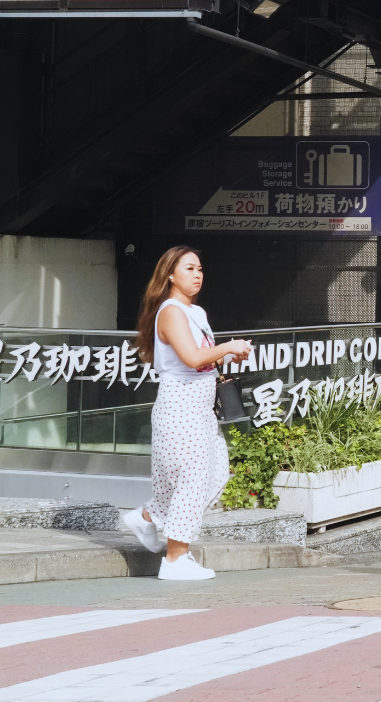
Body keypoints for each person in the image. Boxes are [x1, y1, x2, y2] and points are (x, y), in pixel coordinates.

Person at [122, 247, 252, 581]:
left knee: (214, 473)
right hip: (179, 405)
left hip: (200, 406)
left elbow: (201, 359)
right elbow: (192, 358)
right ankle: (175, 559)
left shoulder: (196, 312)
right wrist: (228, 346)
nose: (198, 275)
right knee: (191, 480)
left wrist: (226, 356)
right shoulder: (171, 311)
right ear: (170, 274)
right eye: (189, 268)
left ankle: (147, 517)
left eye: (200, 269)